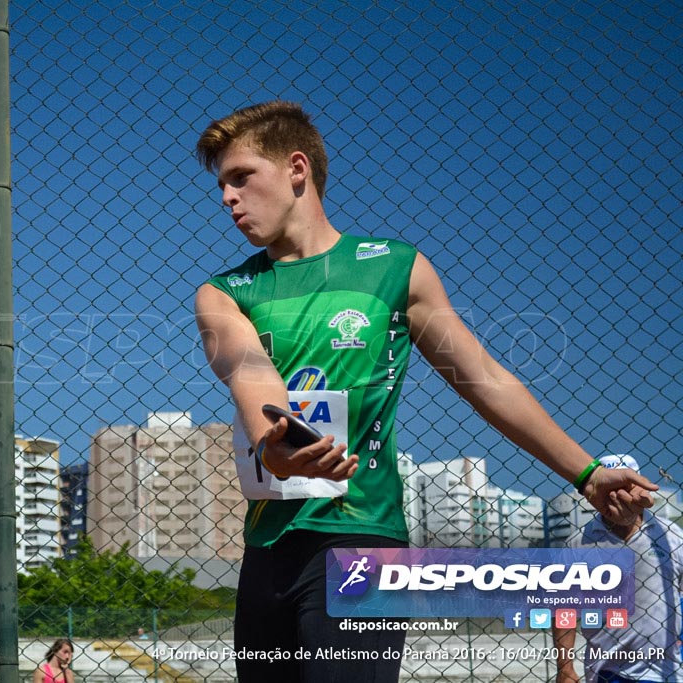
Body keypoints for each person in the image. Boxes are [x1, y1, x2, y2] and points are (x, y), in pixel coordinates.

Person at [193, 100, 657, 683]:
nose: (227, 198)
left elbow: (482, 379)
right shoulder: (224, 291)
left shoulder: (395, 268)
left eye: (241, 178)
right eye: (222, 185)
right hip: (266, 549)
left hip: (362, 539)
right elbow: (247, 372)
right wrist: (273, 444)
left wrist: (585, 474)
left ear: (296, 168)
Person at [553, 455, 683, 683]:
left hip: (666, 670)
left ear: (639, 487)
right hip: (606, 671)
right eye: (610, 487)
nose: (617, 496)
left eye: (624, 486)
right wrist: (565, 668)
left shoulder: (671, 536)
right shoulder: (579, 543)